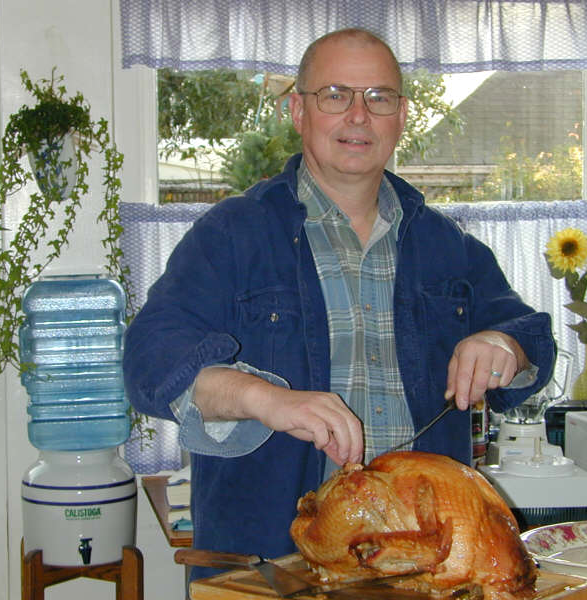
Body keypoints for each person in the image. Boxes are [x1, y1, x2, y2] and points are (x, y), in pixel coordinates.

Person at [124, 28, 556, 579]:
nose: (359, 116)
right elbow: (149, 362)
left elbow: (529, 335)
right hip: (272, 567)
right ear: (297, 110)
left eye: (378, 97)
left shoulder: (449, 245)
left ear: (401, 116)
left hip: (428, 569)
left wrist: (502, 344)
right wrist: (264, 399)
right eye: (335, 95)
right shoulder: (230, 236)